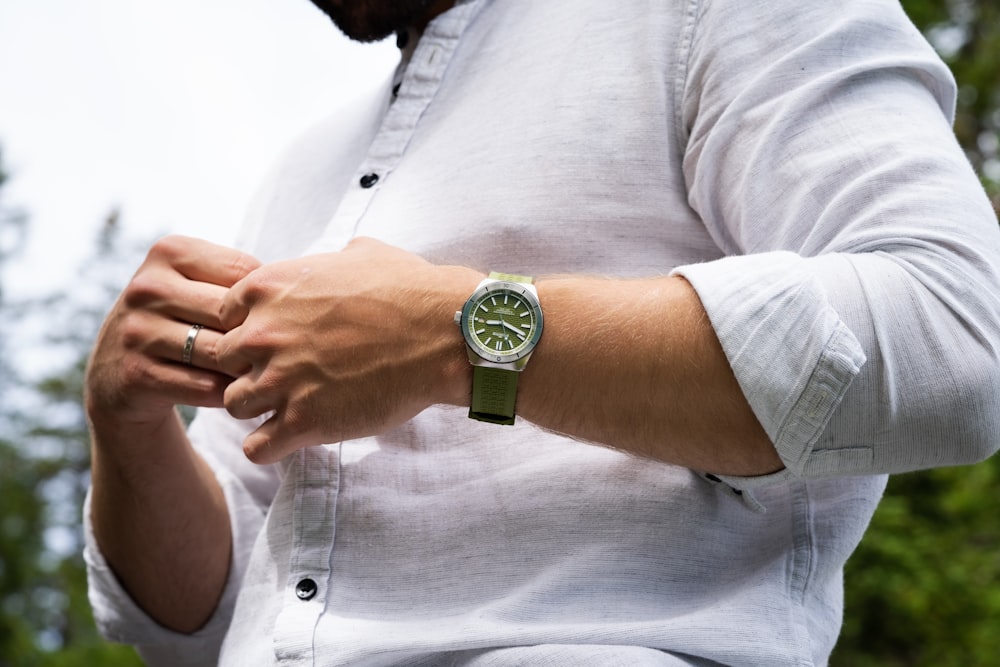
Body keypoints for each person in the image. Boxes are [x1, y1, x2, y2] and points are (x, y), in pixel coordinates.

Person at [83, 0, 1000, 664]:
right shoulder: (299, 165)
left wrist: (456, 334)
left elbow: (955, 334)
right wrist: (123, 422)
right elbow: (198, 622)